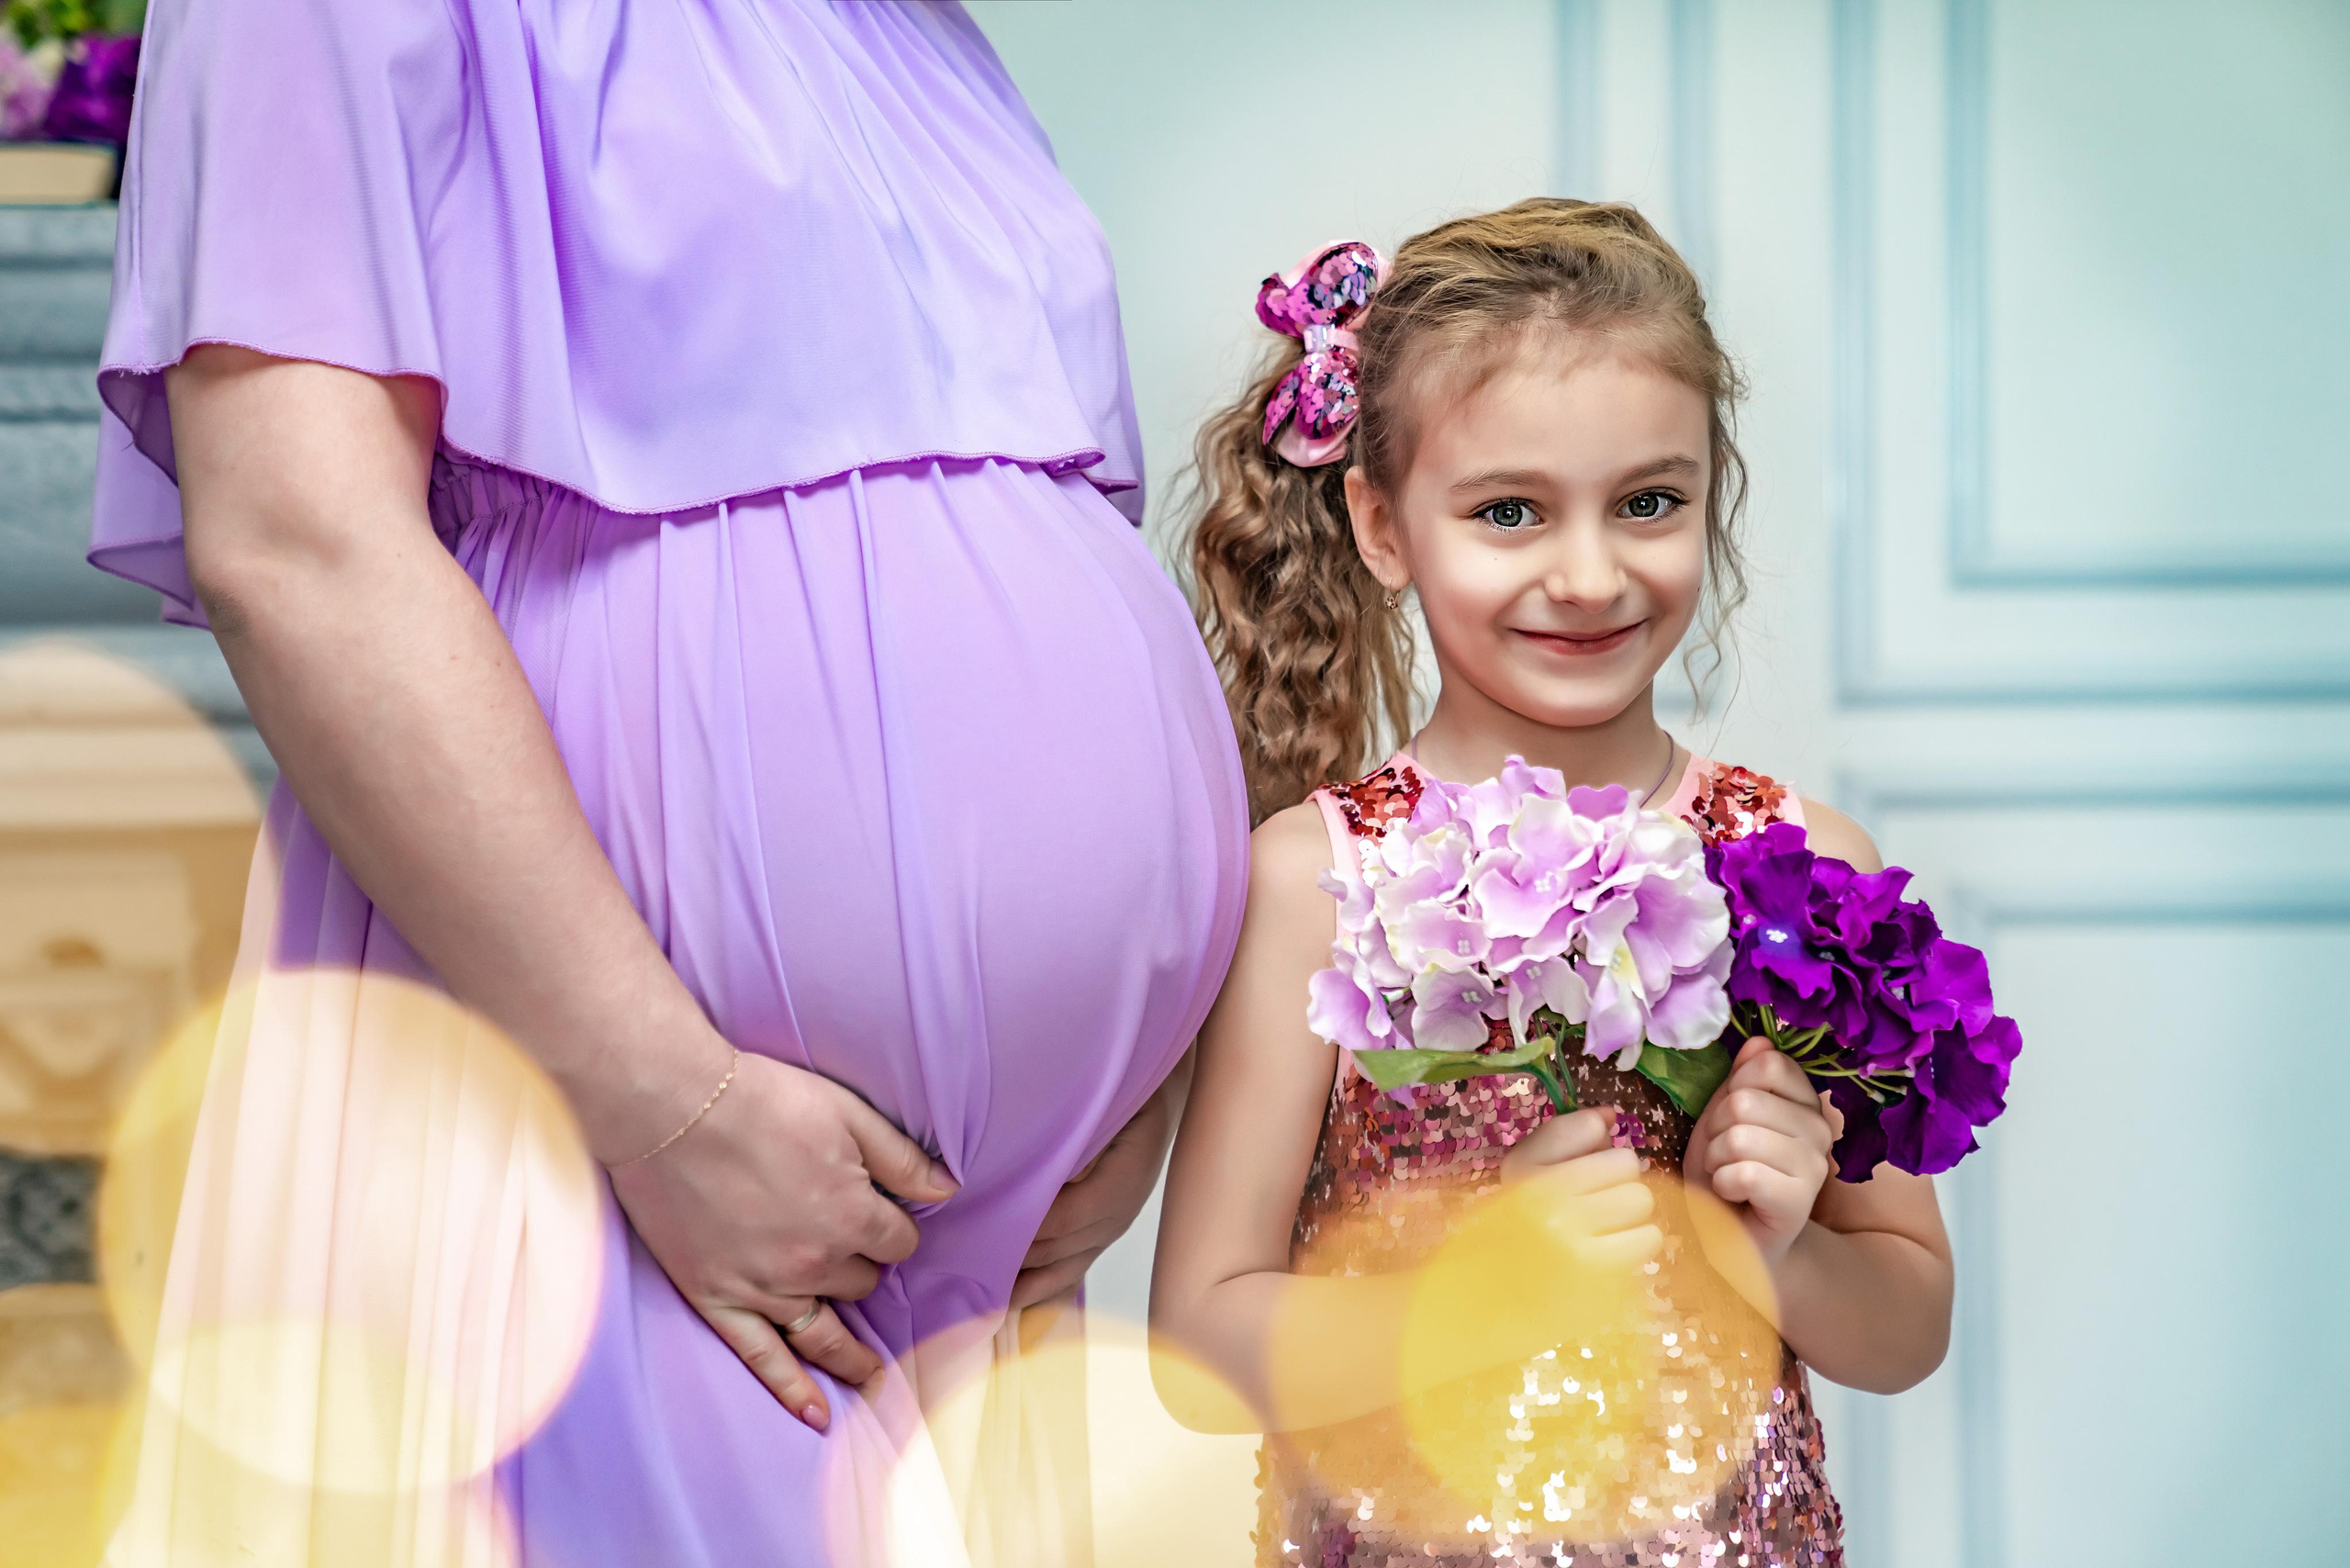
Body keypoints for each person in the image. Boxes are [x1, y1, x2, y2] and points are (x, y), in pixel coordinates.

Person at [86, 2, 1247, 1562]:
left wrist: (1126, 1081)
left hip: (980, 1242)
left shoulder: (900, 31)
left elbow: (1058, 539)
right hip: (625, 1137)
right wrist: (661, 1106)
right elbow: (299, 544)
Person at [1149, 204, 1954, 1565]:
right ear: (1382, 524)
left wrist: (1782, 1251)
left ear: (1713, 492)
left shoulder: (1804, 868)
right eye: (1509, 512)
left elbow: (1907, 1325)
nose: (1589, 576)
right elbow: (1199, 1348)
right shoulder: (1315, 880)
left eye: (1648, 502)